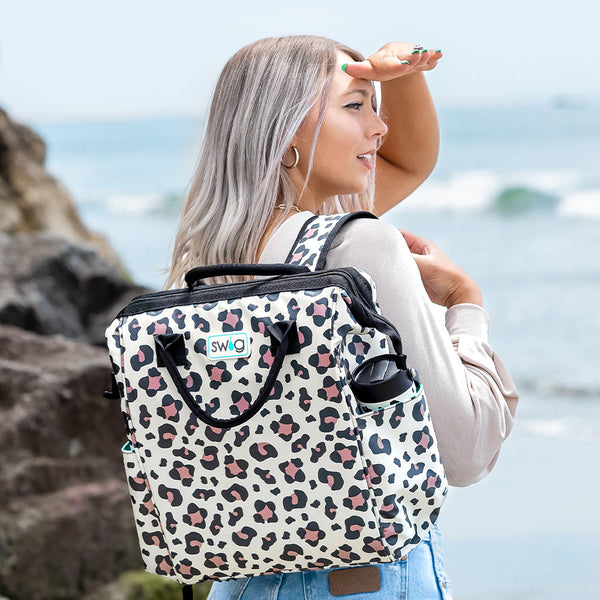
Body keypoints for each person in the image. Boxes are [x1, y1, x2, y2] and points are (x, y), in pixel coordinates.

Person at [167, 35, 518, 600]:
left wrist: (394, 82)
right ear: (283, 136)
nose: (378, 130)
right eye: (355, 107)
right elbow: (465, 452)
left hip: (244, 582)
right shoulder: (357, 247)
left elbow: (408, 159)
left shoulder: (211, 261)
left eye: (376, 109)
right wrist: (465, 304)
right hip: (360, 581)